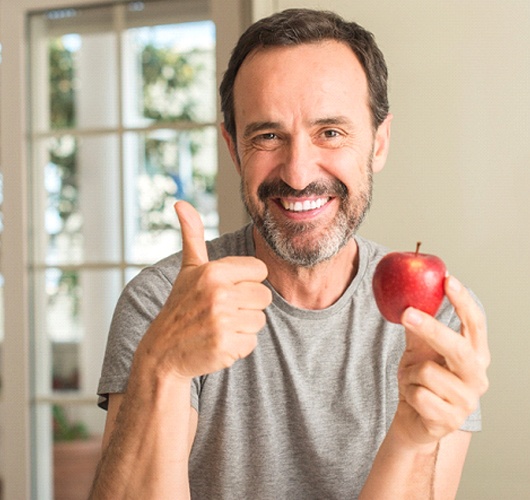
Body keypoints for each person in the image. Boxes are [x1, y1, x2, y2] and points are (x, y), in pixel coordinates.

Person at [90, 8, 490, 499]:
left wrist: (410, 438)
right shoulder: (162, 302)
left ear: (379, 143)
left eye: (331, 132)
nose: (298, 173)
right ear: (234, 148)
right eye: (268, 136)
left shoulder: (434, 317)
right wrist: (163, 366)